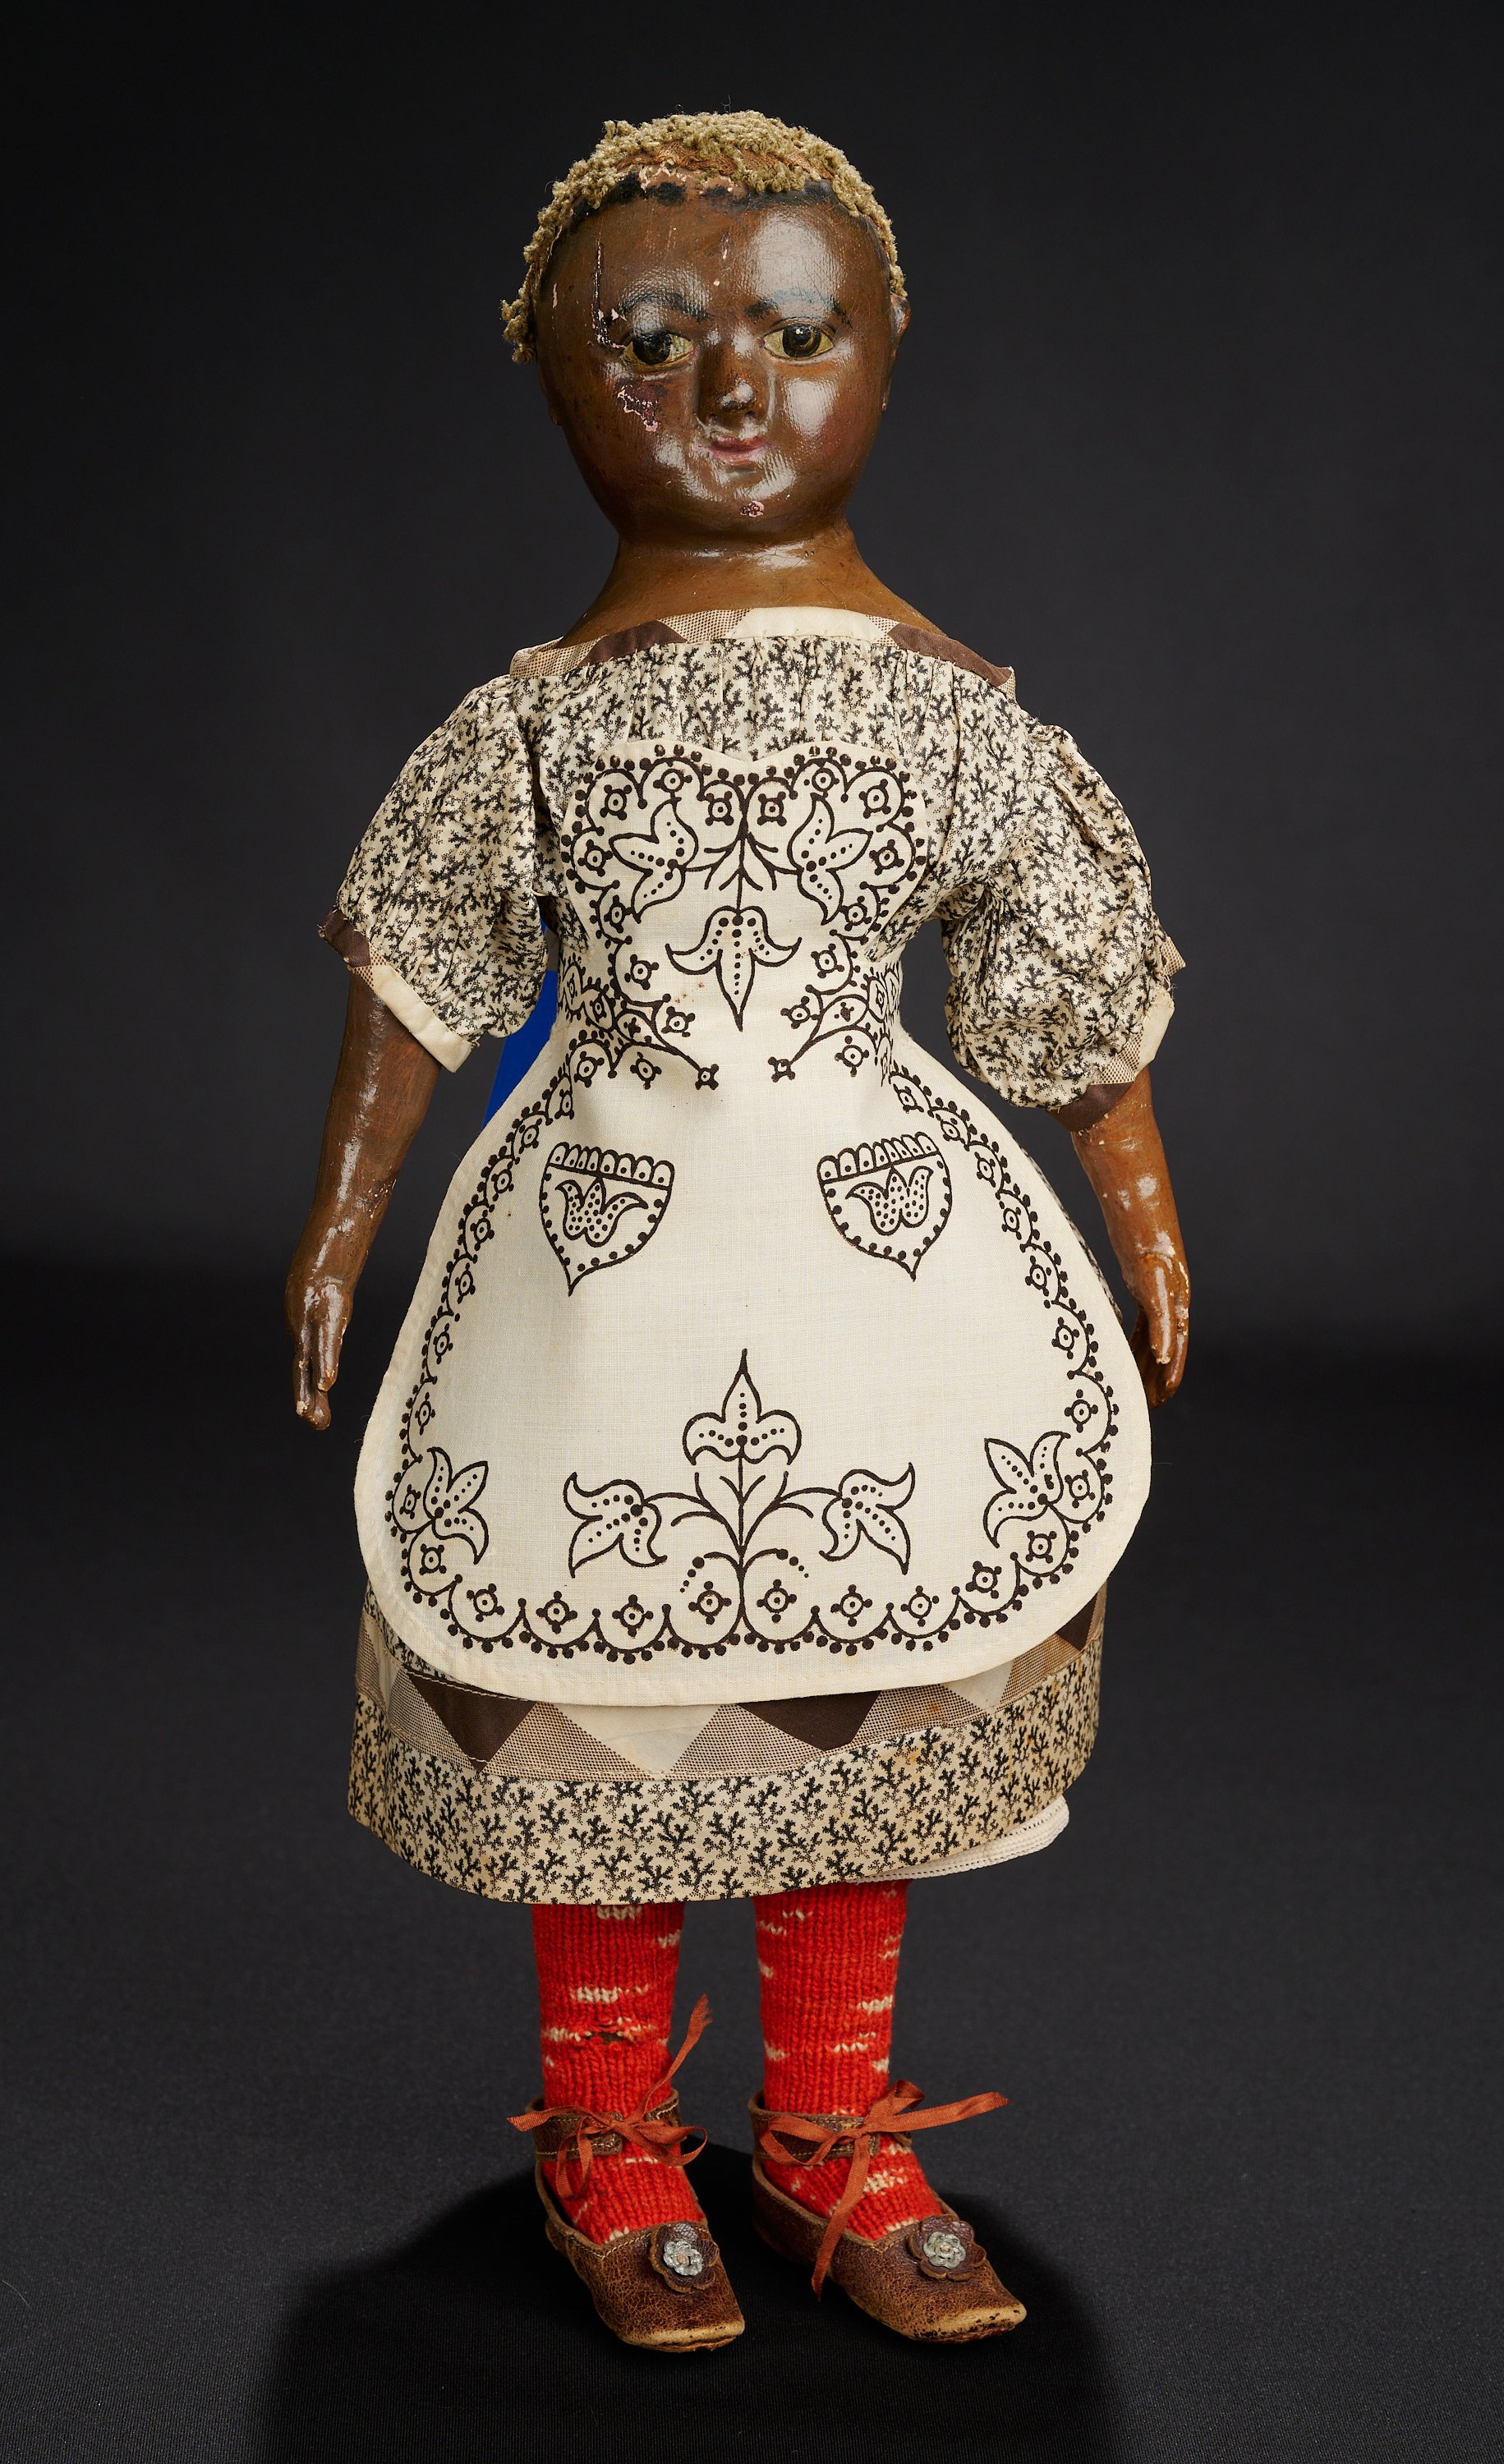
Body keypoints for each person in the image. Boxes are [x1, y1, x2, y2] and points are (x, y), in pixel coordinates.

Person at [287, 110, 1189, 2355]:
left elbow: (1063, 957)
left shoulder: (953, 715)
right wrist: (341, 1218)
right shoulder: (530, 725)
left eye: (795, 332)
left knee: (857, 1636)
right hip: (599, 1255)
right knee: (601, 1657)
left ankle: (828, 2126)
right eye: (649, 342)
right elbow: (423, 963)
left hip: (881, 1260)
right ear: (550, 375)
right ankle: (608, 2129)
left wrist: (1143, 1195)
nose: (725, 387)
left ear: (885, 352)